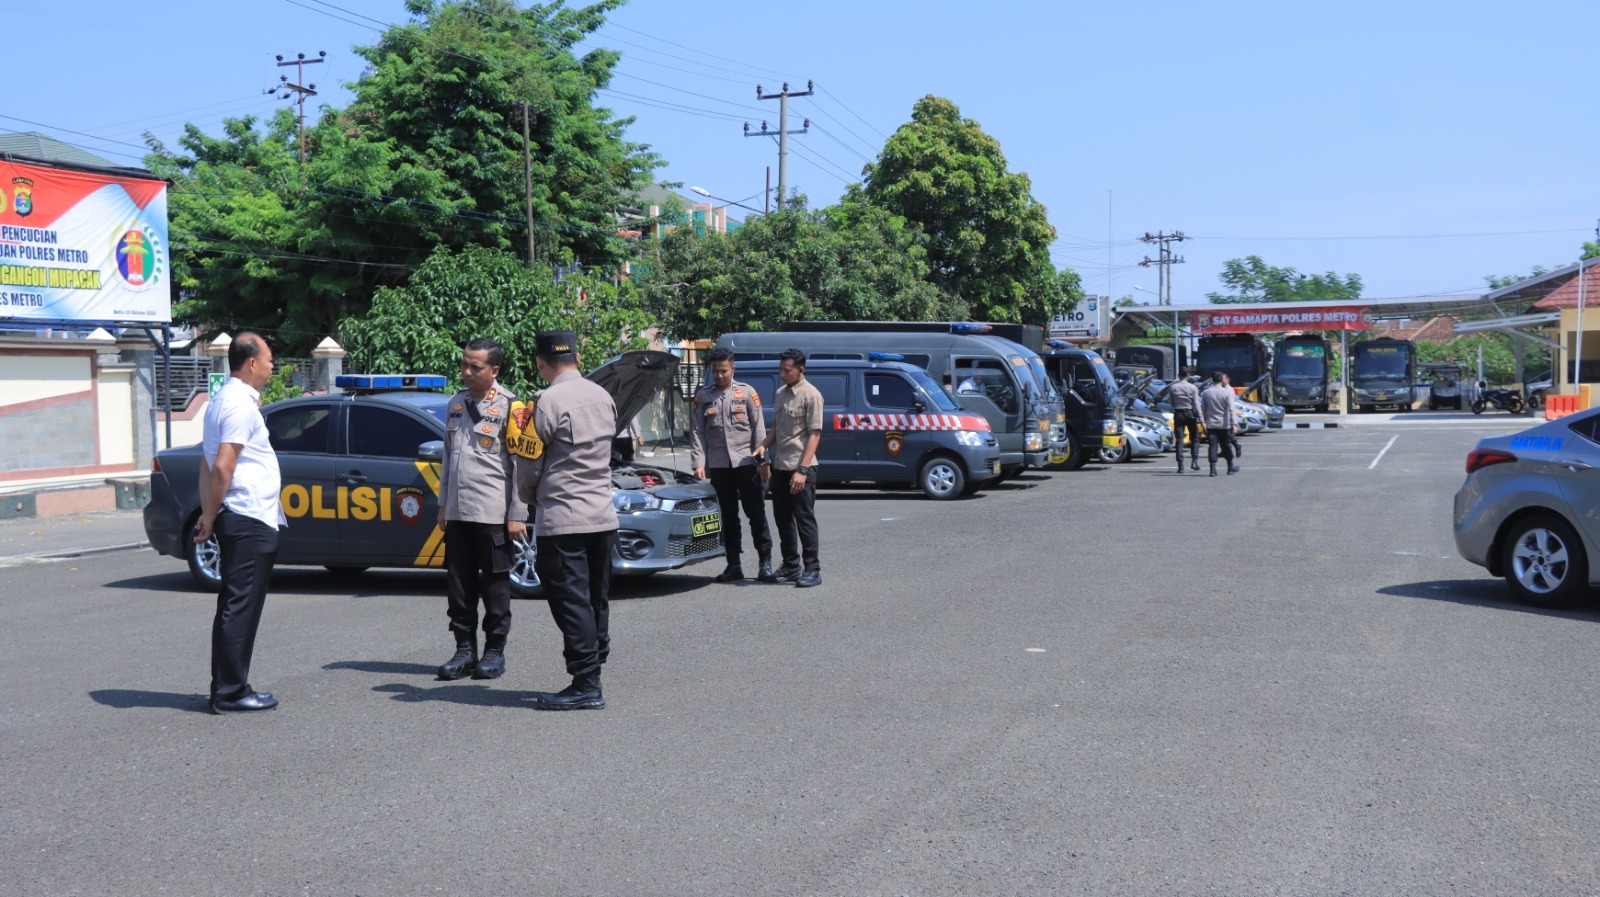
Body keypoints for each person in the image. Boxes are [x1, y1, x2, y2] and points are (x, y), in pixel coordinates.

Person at [512, 330, 617, 711]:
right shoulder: (603, 396)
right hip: (603, 516)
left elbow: (528, 463)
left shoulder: (547, 401)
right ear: (575, 356)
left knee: (570, 600)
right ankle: (595, 662)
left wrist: (527, 499)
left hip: (563, 517)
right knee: (594, 598)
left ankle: (587, 683)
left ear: (541, 361)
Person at [194, 332, 285, 714]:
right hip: (247, 517)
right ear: (251, 362)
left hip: (244, 516)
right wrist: (211, 515)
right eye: (268, 360)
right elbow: (221, 467)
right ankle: (231, 692)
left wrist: (208, 513)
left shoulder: (223, 402)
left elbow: (206, 464)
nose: (271, 366)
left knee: (235, 604)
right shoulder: (239, 406)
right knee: (240, 606)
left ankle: (228, 687)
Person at [434, 338, 529, 681]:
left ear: (494, 370)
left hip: (493, 511)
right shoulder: (456, 404)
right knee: (458, 584)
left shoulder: (512, 407)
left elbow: (521, 464)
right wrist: (443, 504)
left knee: (495, 584)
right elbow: (448, 459)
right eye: (464, 364)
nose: (467, 372)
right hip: (458, 510)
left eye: (475, 367)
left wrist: (518, 512)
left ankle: (493, 651)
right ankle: (464, 650)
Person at [690, 348, 775, 583]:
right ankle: (733, 564)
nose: (719, 376)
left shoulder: (747, 393)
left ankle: (764, 563)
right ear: (710, 370)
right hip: (719, 465)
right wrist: (698, 462)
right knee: (727, 516)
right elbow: (696, 432)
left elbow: (759, 429)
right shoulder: (703, 396)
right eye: (715, 371)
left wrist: (762, 461)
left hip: (746, 462)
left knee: (756, 513)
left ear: (733, 369)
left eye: (724, 371)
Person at [754, 348, 823, 588]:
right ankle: (791, 566)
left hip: (801, 468)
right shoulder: (781, 393)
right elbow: (776, 429)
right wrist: (762, 446)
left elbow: (814, 435)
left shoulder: (811, 395)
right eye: (781, 369)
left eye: (787, 370)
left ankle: (812, 569)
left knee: (804, 519)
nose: (782, 374)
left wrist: (802, 470)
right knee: (783, 519)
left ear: (800, 370)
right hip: (781, 467)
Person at [1200, 371, 1240, 477]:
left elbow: (1203, 408)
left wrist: (1203, 421)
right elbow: (1231, 409)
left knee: (1212, 445)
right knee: (1226, 445)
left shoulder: (1207, 392)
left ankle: (1213, 469)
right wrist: (1234, 423)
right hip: (1224, 424)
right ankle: (1230, 467)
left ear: (1212, 380)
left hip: (1211, 423)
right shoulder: (1226, 392)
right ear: (1221, 380)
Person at [1167, 371, 1202, 473]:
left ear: (1178, 376)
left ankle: (1180, 465)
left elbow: (1171, 402)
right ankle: (1194, 461)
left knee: (1179, 439)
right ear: (1188, 375)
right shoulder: (1193, 387)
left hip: (1178, 413)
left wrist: (1177, 408)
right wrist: (1201, 417)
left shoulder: (1173, 387)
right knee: (1194, 437)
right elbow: (1196, 403)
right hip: (1190, 412)